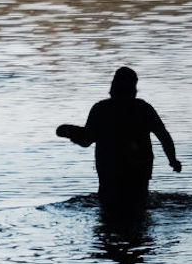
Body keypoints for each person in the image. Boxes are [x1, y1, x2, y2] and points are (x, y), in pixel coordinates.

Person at [57, 67, 182, 226]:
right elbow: (163, 136)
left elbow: (86, 140)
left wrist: (70, 132)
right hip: (139, 171)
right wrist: (173, 160)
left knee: (109, 212)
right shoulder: (143, 109)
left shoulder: (101, 109)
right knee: (139, 211)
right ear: (134, 88)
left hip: (110, 172)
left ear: (113, 87)